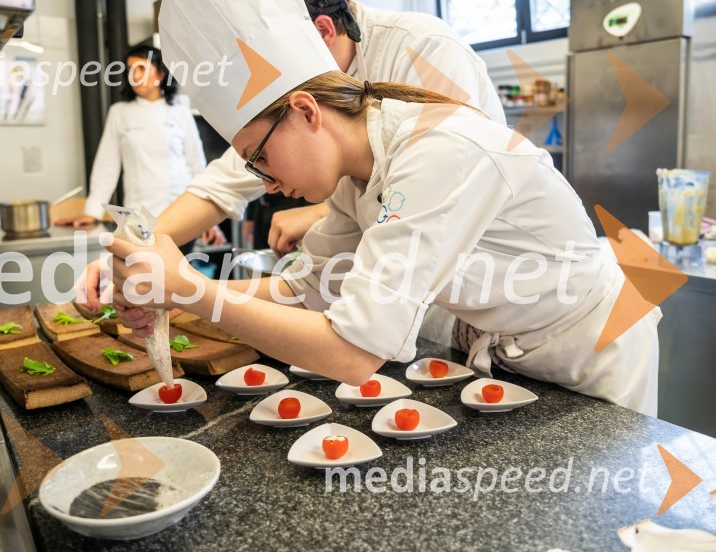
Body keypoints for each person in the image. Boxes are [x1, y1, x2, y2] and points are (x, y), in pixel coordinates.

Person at [105, 0, 660, 416]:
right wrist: (177, 300)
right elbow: (309, 288)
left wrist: (192, 291)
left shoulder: (436, 149)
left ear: (306, 111)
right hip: (498, 346)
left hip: (585, 346)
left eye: (262, 157)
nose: (267, 183)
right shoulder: (356, 167)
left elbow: (352, 353)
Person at [79, 0, 504, 307]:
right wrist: (136, 250)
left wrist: (315, 214)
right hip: (400, 309)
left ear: (321, 32)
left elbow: (449, 187)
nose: (268, 180)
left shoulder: (422, 49)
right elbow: (221, 184)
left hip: (481, 290)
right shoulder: (297, 124)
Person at [55, 46, 225, 249]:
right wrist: (92, 212)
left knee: (176, 277)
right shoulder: (120, 112)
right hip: (137, 221)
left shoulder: (180, 112)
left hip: (180, 215)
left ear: (161, 73)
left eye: (142, 69)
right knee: (143, 277)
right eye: (130, 70)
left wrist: (205, 217)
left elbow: (197, 166)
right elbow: (106, 167)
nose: (134, 75)